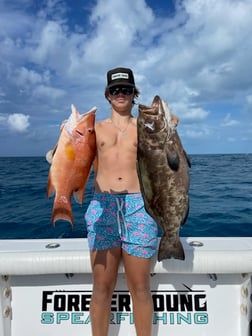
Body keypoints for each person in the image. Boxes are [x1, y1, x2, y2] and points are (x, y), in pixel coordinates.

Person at [85, 67, 177, 336]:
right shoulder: (94, 128)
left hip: (140, 206)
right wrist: (60, 144)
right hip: (103, 206)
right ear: (108, 95)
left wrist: (169, 123)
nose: (121, 94)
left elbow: (169, 136)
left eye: (126, 89)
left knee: (140, 288)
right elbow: (67, 156)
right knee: (102, 288)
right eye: (115, 90)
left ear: (134, 94)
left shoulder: (146, 127)